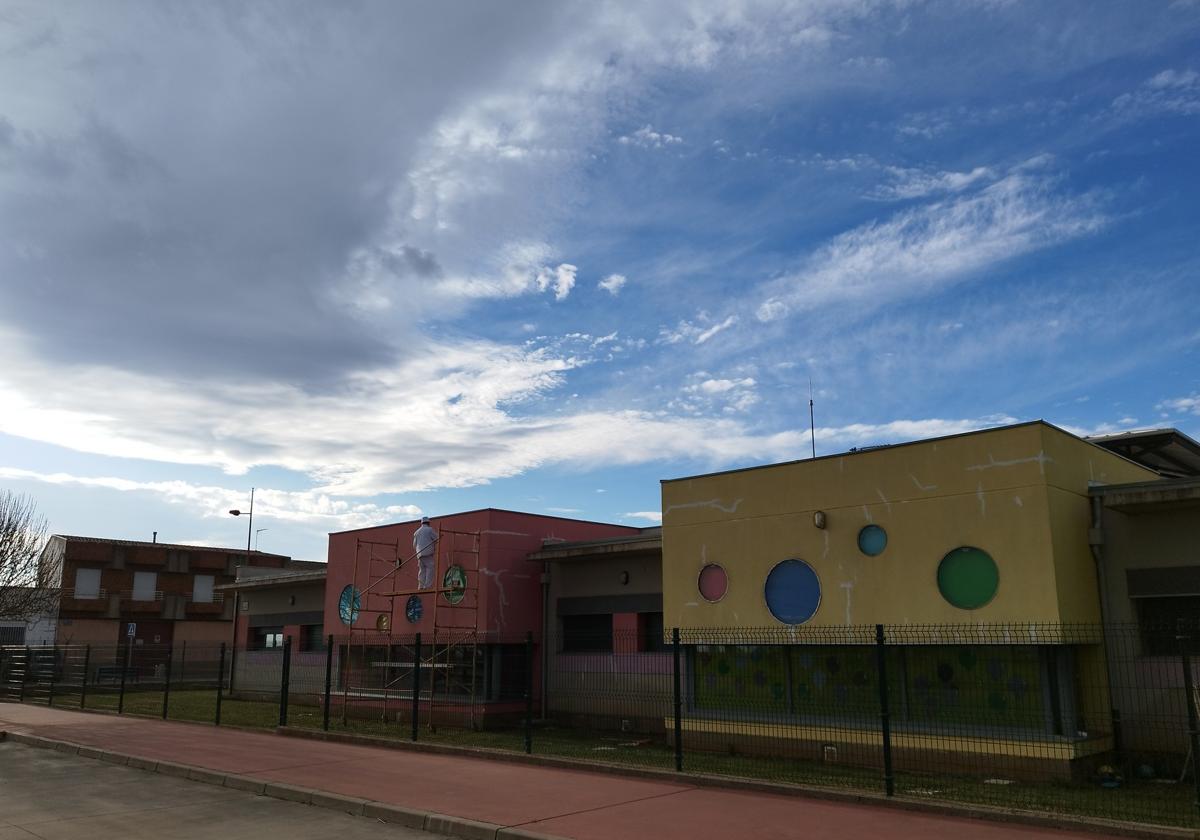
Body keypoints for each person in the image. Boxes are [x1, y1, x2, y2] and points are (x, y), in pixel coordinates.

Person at [412, 515, 438, 590]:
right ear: (428, 523)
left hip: (419, 554)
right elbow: (436, 538)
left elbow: (414, 545)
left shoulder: (416, 532)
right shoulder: (429, 530)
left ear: (421, 523)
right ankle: (427, 586)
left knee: (422, 570)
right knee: (430, 568)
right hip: (427, 553)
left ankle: (420, 586)